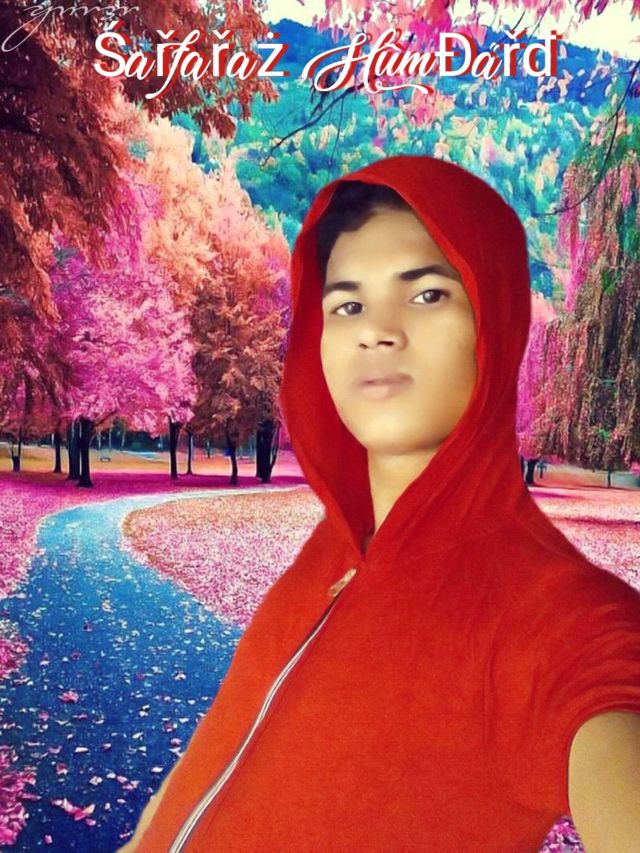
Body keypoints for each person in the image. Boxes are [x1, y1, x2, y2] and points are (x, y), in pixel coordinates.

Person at [125, 155, 640, 852]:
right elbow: (210, 760)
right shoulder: (330, 551)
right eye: (348, 305)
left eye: (426, 294)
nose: (376, 330)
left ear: (494, 322)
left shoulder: (562, 620)